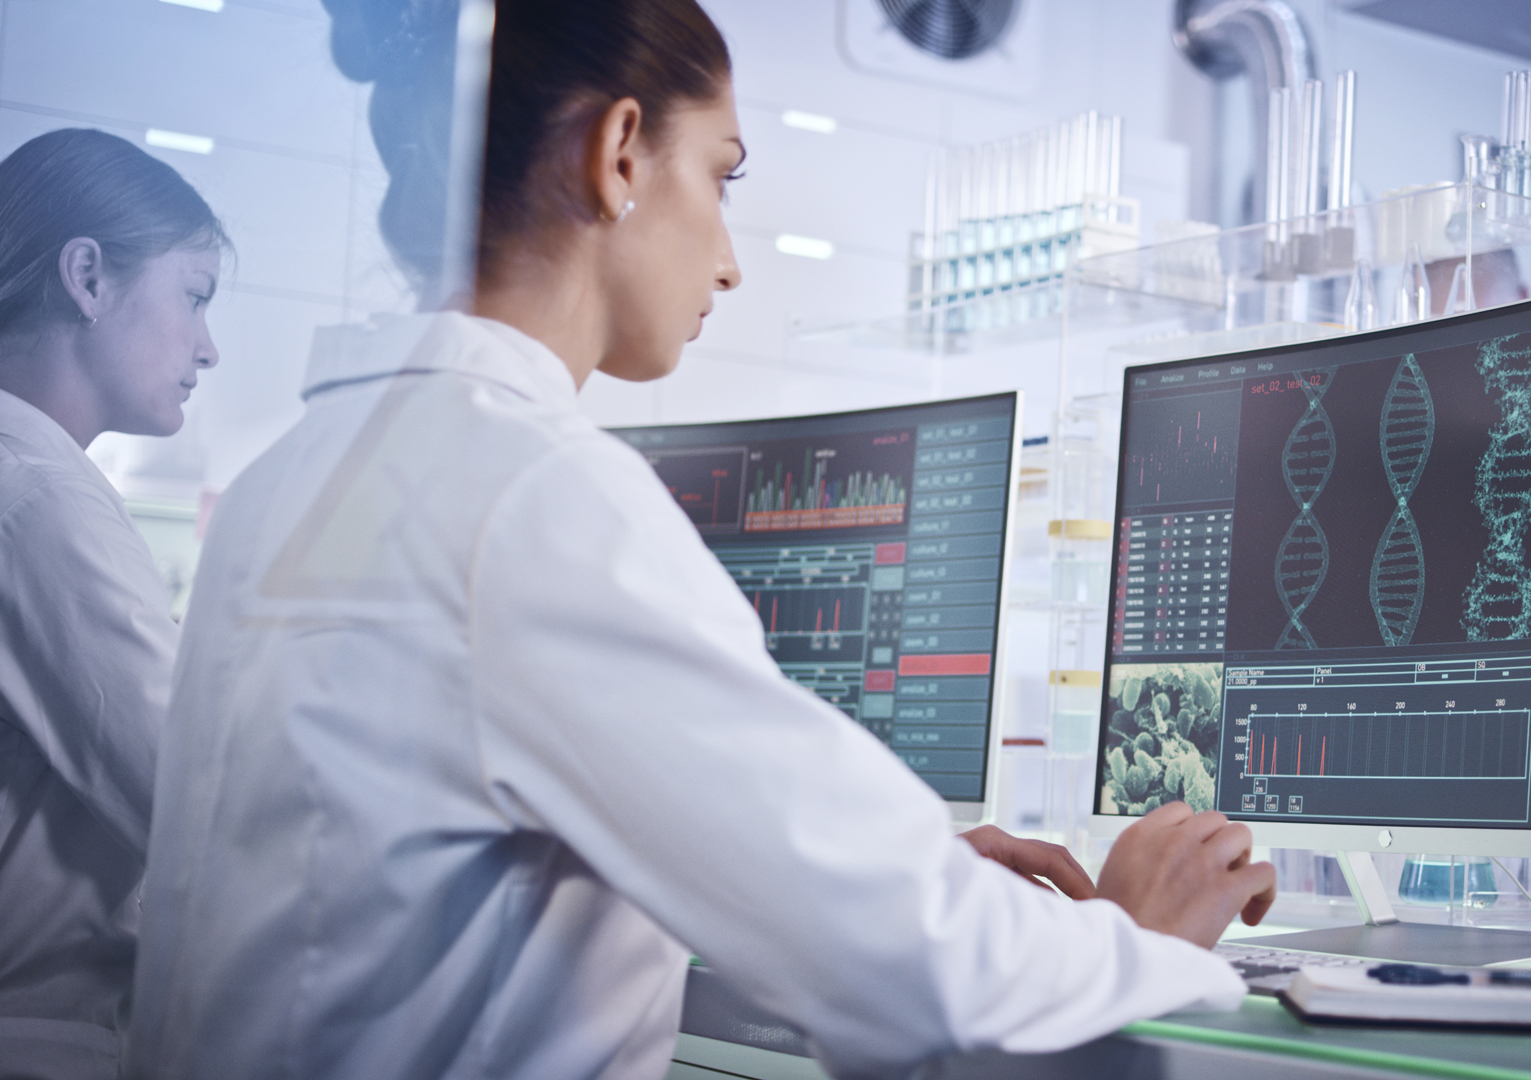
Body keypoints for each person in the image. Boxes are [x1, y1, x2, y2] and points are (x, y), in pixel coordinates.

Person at [129, 2, 1275, 1077]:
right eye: (722, 178)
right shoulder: (535, 495)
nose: (730, 257)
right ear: (619, 153)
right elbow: (915, 973)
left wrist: (863, 876)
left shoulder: (299, 473)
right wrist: (1139, 936)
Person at [0, 128, 223, 1079]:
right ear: (87, 278)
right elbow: (199, 799)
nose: (207, 348)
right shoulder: (38, 496)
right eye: (195, 297)